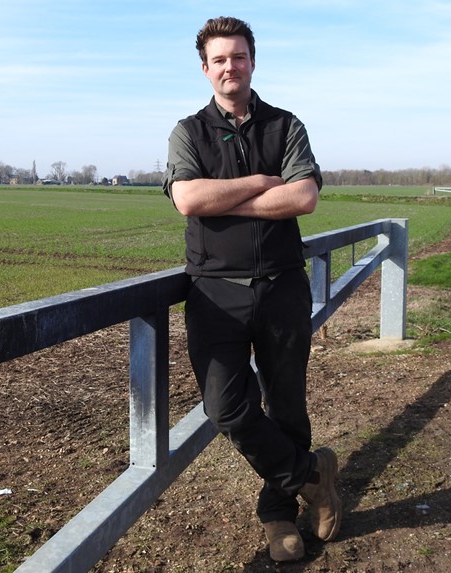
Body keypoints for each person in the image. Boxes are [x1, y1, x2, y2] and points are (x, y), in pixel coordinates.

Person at [162, 16, 342, 562]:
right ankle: (311, 474)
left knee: (287, 404)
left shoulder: (285, 126)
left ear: (252, 61)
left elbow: (303, 198)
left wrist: (227, 197)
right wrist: (263, 183)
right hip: (214, 292)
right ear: (205, 69)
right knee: (226, 408)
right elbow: (189, 200)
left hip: (282, 286)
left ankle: (277, 515)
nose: (229, 67)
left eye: (237, 56)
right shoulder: (188, 132)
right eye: (219, 59)